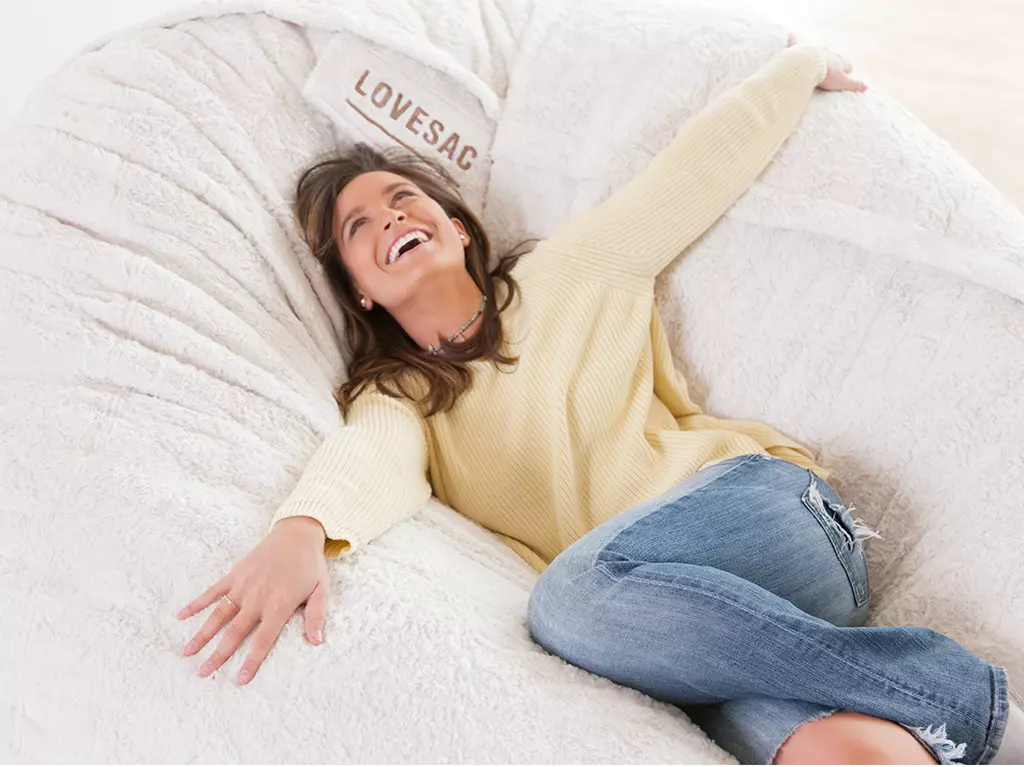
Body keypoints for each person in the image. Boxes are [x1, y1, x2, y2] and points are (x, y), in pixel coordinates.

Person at [176, 37, 1024, 764]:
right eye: (358, 227)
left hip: (774, 521)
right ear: (358, 289)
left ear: (457, 226)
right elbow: (369, 456)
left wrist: (796, 68)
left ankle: (967, 700)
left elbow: (688, 175)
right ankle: (944, 719)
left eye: (403, 197)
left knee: (566, 601)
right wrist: (302, 531)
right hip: (685, 637)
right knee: (841, 752)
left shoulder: (565, 271)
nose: (389, 217)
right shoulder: (402, 398)